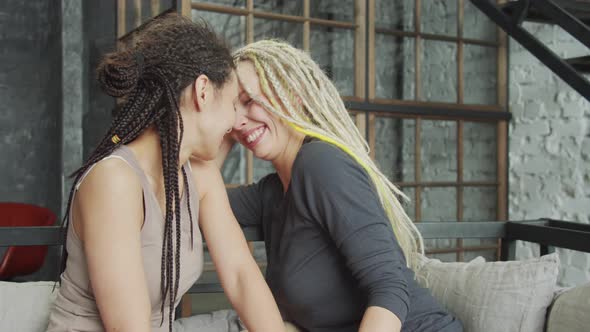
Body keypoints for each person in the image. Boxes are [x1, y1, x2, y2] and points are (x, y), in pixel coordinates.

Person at [46, 15, 284, 332]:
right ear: (203, 92)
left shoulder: (200, 175)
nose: (236, 120)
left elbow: (241, 274)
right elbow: (128, 327)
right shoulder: (114, 180)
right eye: (232, 103)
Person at [218, 40, 463, 332]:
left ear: (291, 95)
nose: (238, 120)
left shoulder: (321, 164)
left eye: (248, 101)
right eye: (231, 110)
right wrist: (221, 132)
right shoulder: (271, 192)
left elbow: (390, 286)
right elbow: (190, 199)